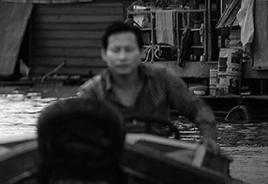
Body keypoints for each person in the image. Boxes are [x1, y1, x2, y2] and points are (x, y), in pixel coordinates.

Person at [76, 21, 220, 153]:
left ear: (142, 53)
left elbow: (197, 107)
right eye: (115, 50)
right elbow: (76, 129)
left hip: (159, 159)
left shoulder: (161, 78)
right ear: (104, 54)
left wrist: (209, 138)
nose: (122, 57)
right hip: (111, 159)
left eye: (129, 49)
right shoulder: (91, 91)